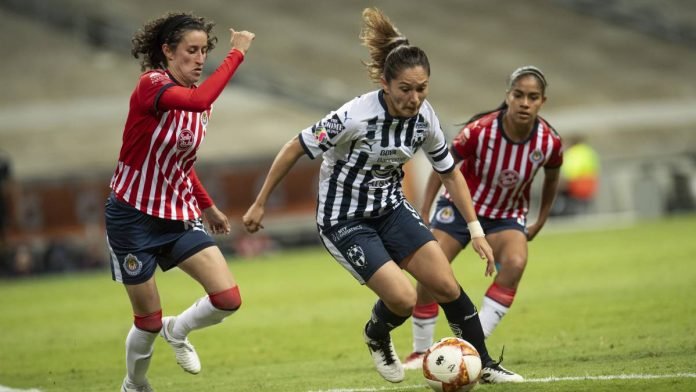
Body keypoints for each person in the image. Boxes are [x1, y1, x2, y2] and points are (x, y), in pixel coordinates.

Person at [242, 7, 522, 384]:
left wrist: (475, 230)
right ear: (386, 85)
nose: (414, 97)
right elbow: (296, 145)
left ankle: (484, 365)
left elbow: (449, 172)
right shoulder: (354, 116)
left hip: (390, 209)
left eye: (422, 88)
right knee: (404, 300)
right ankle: (376, 335)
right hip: (344, 221)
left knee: (445, 285)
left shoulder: (426, 118)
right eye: (405, 89)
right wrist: (260, 201)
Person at [104, 12, 254, 392]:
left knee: (227, 297)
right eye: (192, 50)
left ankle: (179, 329)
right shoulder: (151, 84)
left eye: (205, 50)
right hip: (132, 216)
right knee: (147, 320)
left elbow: (180, 163)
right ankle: (134, 385)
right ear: (168, 52)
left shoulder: (200, 104)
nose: (201, 58)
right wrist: (236, 54)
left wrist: (207, 204)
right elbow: (203, 95)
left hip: (176, 214)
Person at [402, 66, 563, 370]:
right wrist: (425, 210)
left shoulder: (549, 142)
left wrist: (541, 219)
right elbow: (444, 166)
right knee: (430, 270)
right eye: (519, 95)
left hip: (506, 215)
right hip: (460, 211)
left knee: (515, 263)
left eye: (533, 97)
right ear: (508, 96)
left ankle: (473, 347)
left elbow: (553, 178)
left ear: (543, 101)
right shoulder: (480, 130)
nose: (525, 103)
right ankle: (419, 351)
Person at [551, 135, 599, 216]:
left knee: (555, 189)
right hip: (591, 186)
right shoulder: (589, 151)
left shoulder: (572, 153)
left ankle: (557, 213)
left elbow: (569, 175)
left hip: (578, 186)